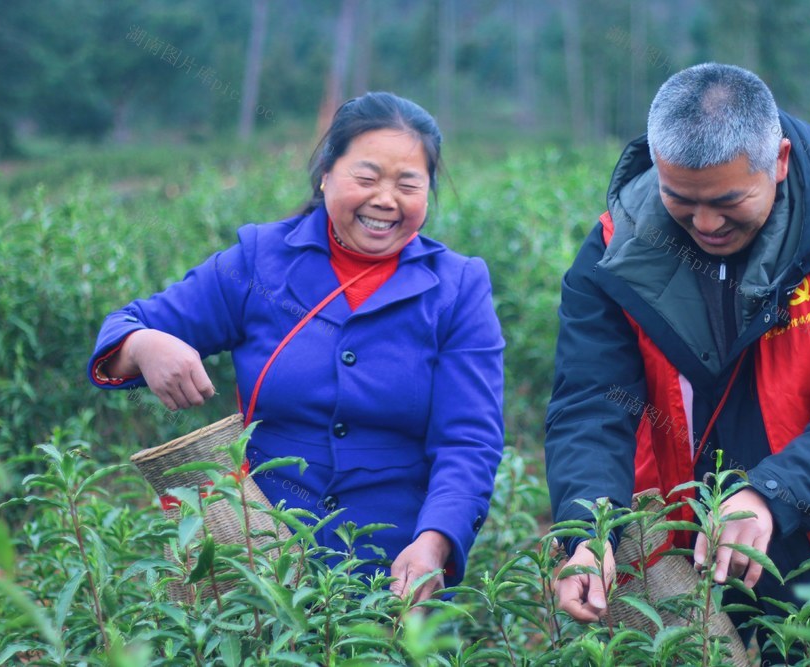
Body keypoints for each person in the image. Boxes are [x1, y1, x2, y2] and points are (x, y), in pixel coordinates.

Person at [544, 63, 810, 633]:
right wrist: (587, 533)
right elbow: (593, 402)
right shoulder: (614, 252)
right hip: (691, 560)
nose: (705, 222)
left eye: (728, 201)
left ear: (778, 160)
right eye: (680, 198)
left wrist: (772, 493)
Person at [87, 92, 505, 603]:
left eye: (408, 184)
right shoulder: (260, 260)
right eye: (367, 178)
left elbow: (469, 440)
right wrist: (146, 343)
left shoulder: (457, 287)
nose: (385, 200)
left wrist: (434, 544)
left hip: (394, 567)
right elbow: (126, 327)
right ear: (326, 173)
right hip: (259, 561)